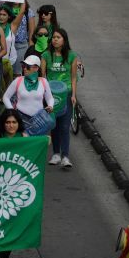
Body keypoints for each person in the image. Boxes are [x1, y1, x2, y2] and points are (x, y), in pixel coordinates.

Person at [0, 110, 26, 258]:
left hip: (17, 190)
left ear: (18, 123)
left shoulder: (26, 139)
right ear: (3, 124)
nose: (11, 125)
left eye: (14, 122)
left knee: (12, 226)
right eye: (7, 122)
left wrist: (44, 141)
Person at [41, 28, 78, 169]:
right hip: (51, 96)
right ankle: (56, 154)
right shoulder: (45, 56)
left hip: (66, 94)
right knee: (54, 125)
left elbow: (74, 78)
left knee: (64, 125)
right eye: (54, 37)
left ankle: (66, 156)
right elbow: (43, 76)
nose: (55, 39)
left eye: (58, 37)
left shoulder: (72, 56)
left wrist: (74, 95)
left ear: (64, 39)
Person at [3, 55, 54, 136]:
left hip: (39, 120)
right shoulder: (18, 80)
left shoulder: (43, 81)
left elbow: (50, 98)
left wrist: (50, 106)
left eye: (28, 67)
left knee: (36, 145)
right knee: (22, 145)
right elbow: (6, 97)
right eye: (23, 66)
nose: (24, 69)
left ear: (36, 68)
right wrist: (12, 112)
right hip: (21, 118)